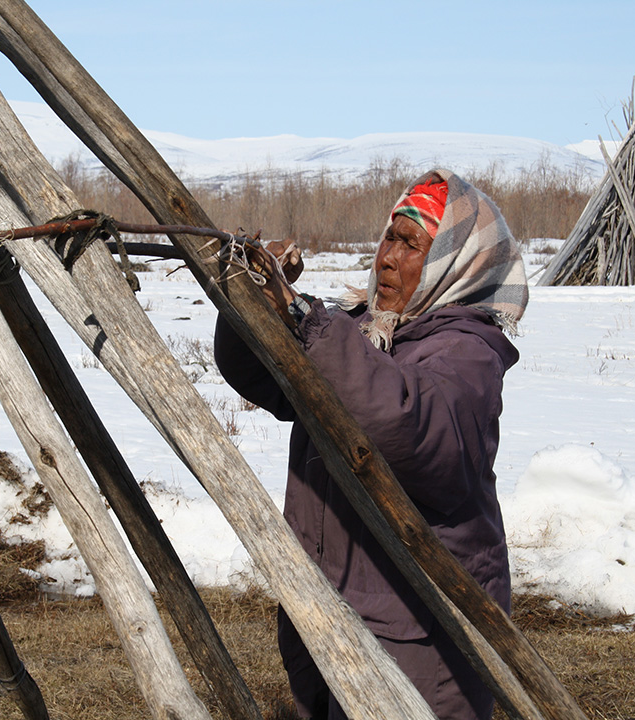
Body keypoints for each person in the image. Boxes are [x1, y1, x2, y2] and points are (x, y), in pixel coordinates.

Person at [213, 168, 529, 720]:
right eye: (390, 236)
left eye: (412, 245)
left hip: (422, 622)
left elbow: (410, 428)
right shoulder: (366, 329)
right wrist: (249, 298)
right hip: (333, 602)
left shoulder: (467, 352)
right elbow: (262, 375)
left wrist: (301, 317)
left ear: (456, 264)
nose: (387, 257)